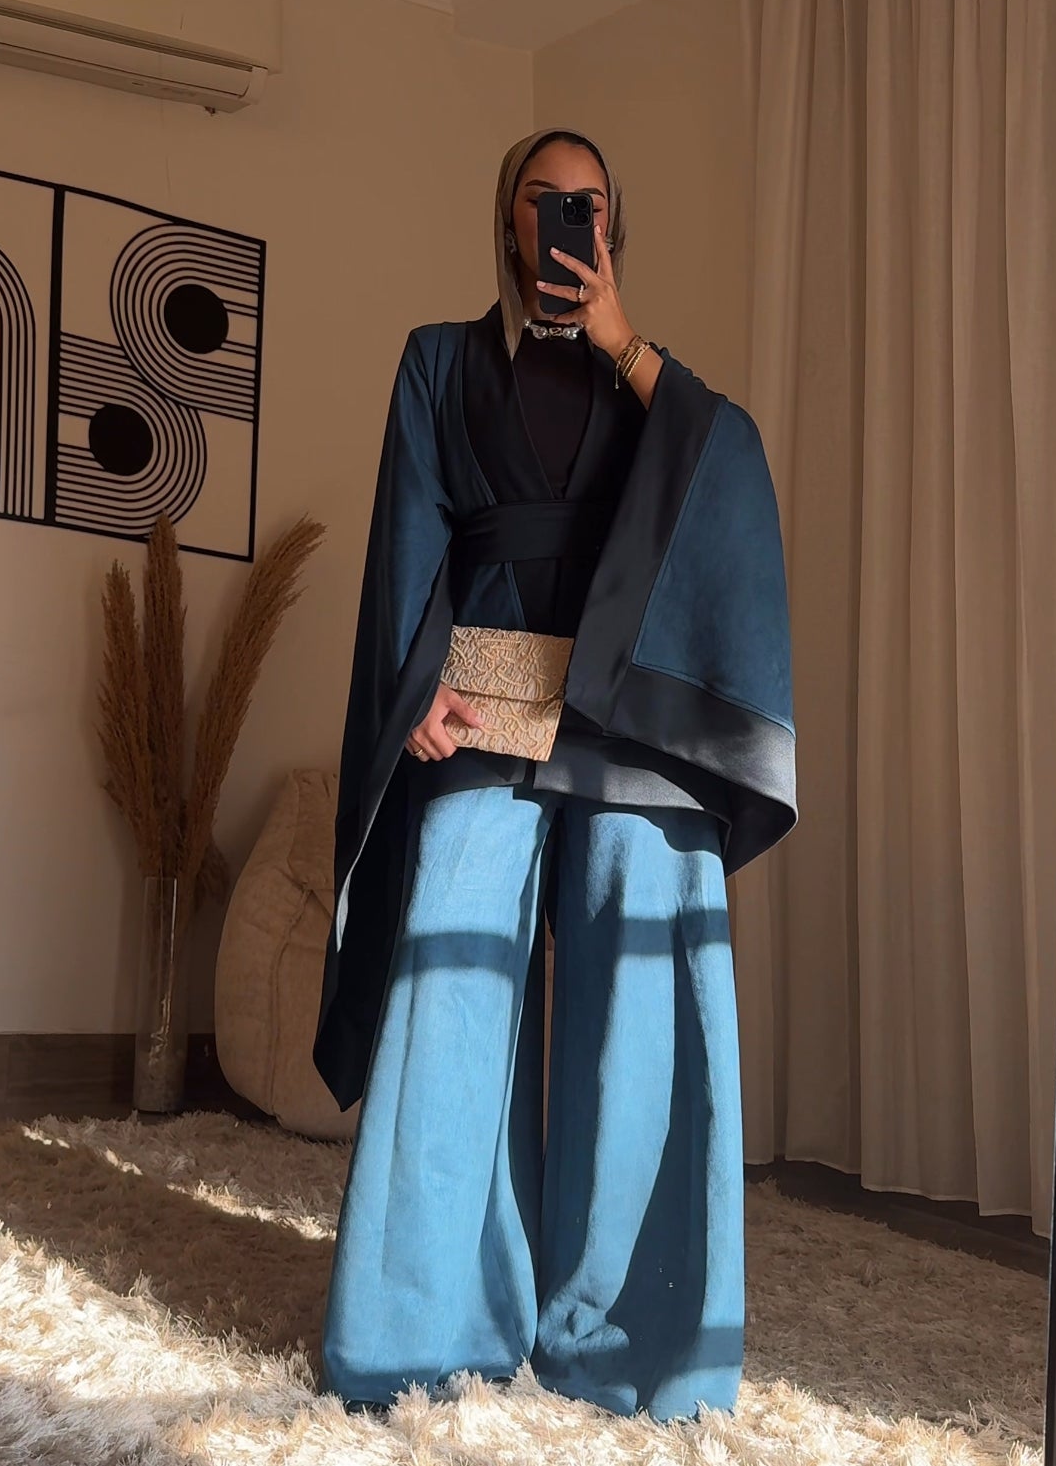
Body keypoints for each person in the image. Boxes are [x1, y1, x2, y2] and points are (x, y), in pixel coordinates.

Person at [314, 128, 796, 1421]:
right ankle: (425, 1329)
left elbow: (730, 469)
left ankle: (629, 1336)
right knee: (446, 995)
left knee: (643, 1008)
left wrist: (625, 340)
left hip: (627, 720)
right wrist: (411, 694)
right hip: (478, 698)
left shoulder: (655, 389)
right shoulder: (438, 361)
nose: (568, 219)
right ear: (508, 219)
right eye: (546, 200)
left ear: (612, 227)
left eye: (590, 203)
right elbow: (404, 535)